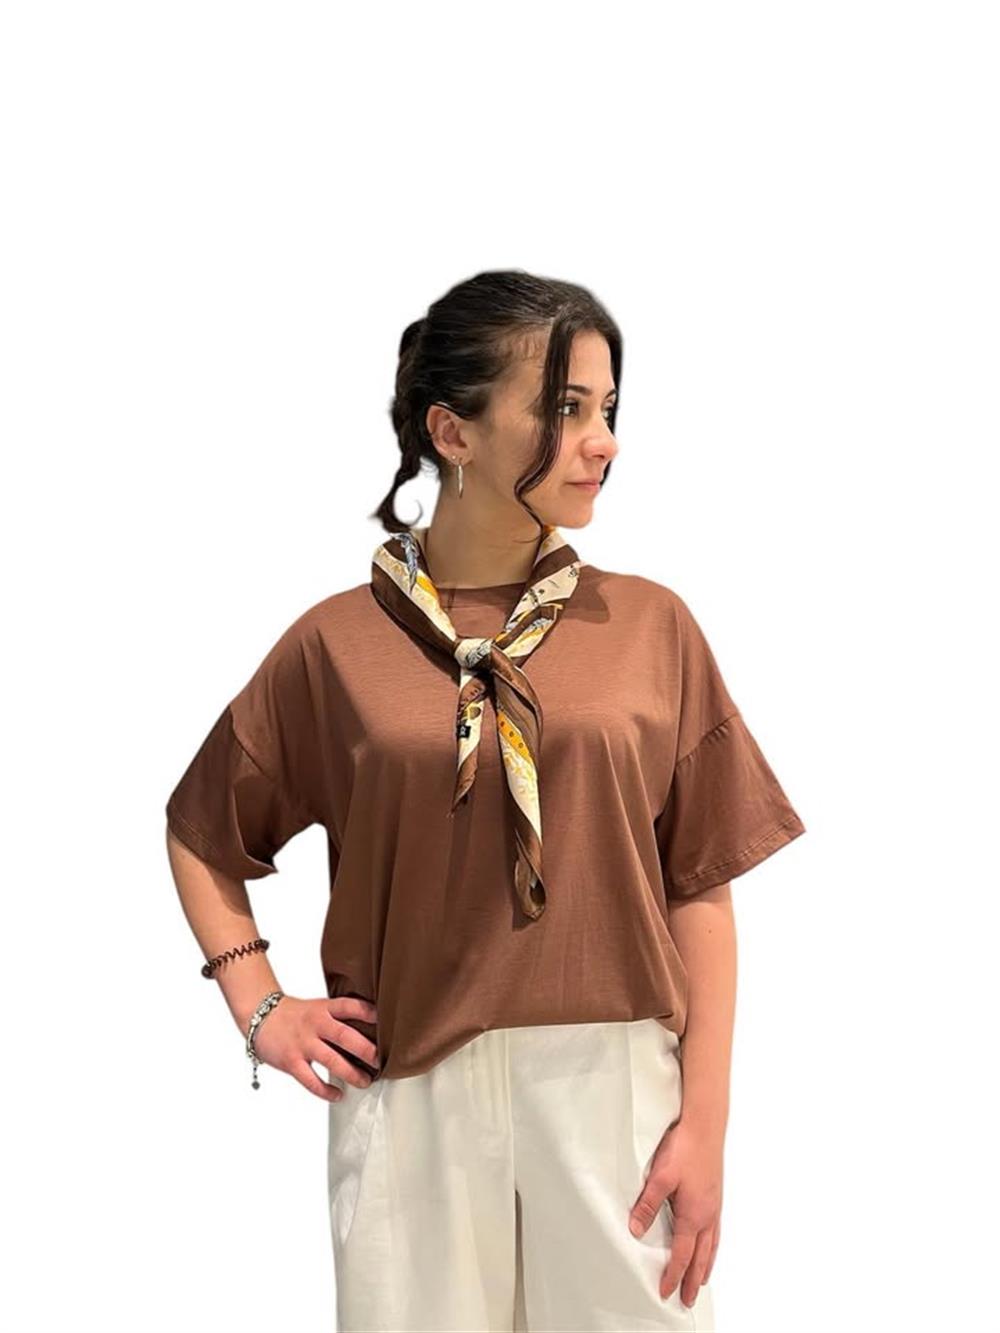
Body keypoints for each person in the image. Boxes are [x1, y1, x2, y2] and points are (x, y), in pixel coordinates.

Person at [165, 268, 806, 1331]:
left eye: (607, 408)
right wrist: (262, 1005)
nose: (602, 441)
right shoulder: (336, 645)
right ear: (451, 431)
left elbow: (699, 880)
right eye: (564, 408)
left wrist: (708, 1122)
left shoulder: (650, 626)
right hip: (409, 1092)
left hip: (615, 1092)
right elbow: (201, 830)